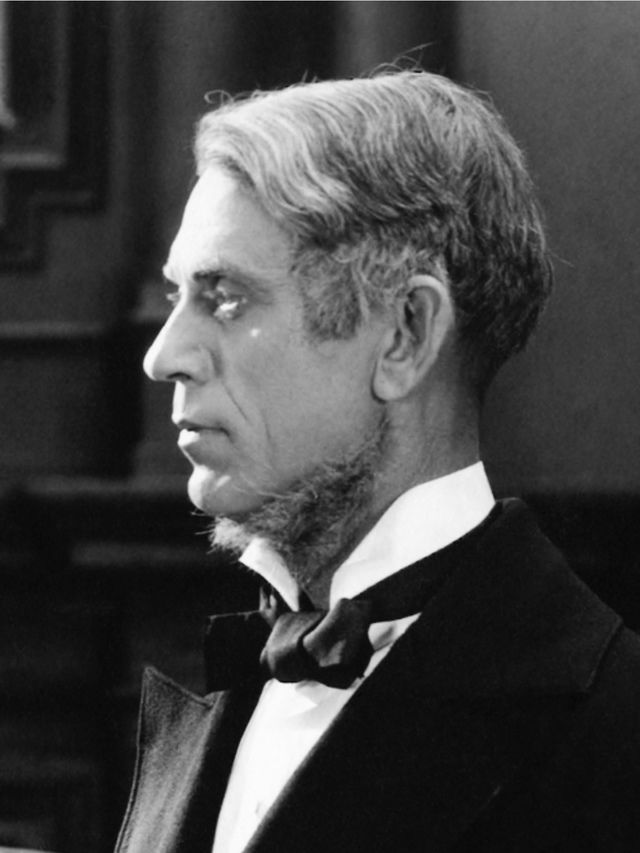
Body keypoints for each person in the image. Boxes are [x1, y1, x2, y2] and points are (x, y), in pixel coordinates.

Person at [115, 70, 640, 853]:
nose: (163, 356)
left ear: (405, 334)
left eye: (225, 297)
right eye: (175, 296)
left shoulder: (611, 733)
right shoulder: (224, 687)